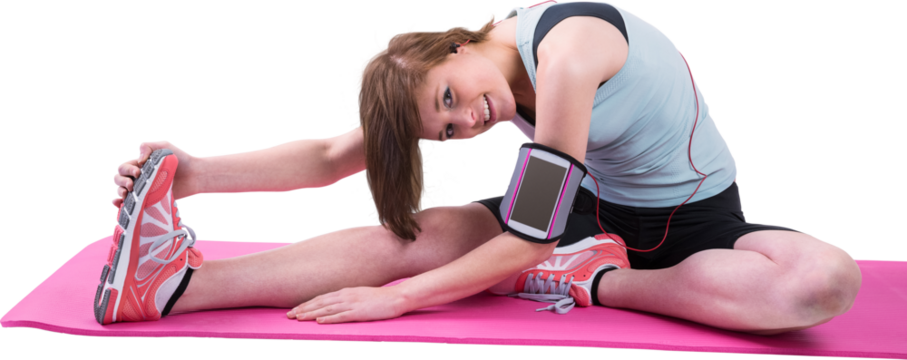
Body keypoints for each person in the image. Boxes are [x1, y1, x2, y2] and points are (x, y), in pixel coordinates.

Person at [106, 1, 860, 335]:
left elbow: (530, 228)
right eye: (448, 130)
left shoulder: (567, 51)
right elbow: (334, 157)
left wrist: (399, 300)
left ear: (456, 46)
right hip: (579, 207)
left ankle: (590, 279)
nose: (468, 123)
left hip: (694, 221)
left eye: (449, 100)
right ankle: (177, 287)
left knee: (819, 284)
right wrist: (191, 172)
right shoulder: (486, 79)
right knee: (422, 233)